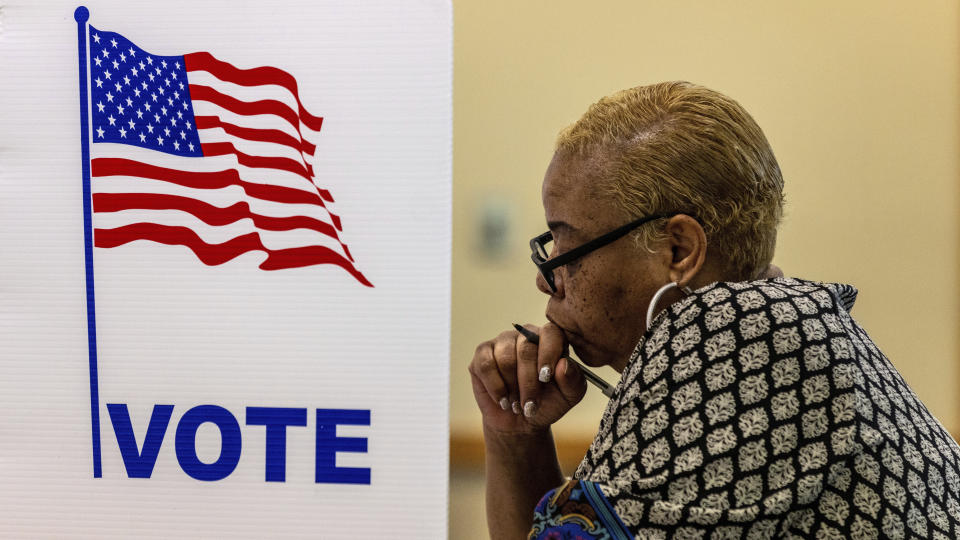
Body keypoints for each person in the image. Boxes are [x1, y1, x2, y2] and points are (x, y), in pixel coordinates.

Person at [468, 81, 960, 539]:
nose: (543, 278)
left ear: (679, 251)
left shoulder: (743, 339)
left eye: (566, 249)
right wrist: (515, 433)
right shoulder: (782, 322)